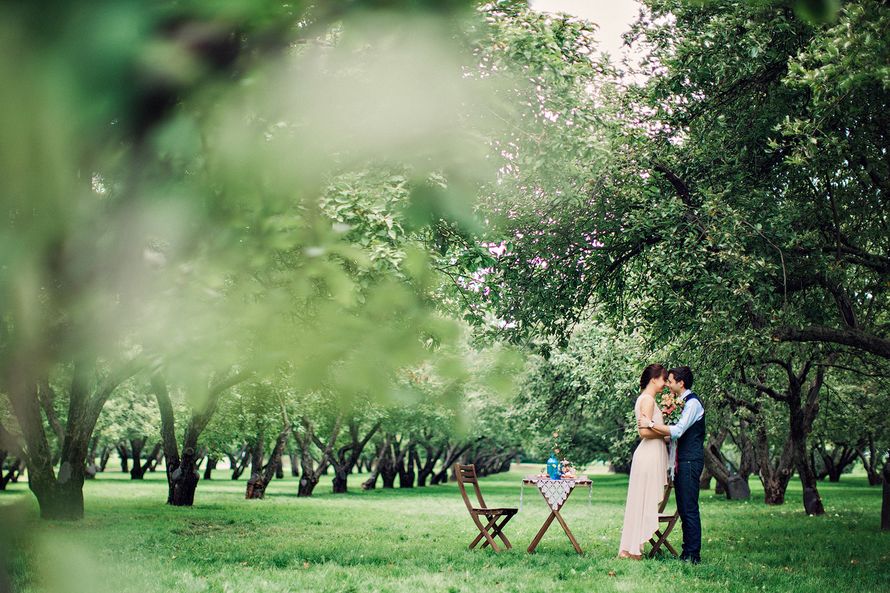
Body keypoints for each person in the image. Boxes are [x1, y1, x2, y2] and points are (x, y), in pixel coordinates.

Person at [638, 366, 705, 564]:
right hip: (681, 461)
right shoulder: (682, 403)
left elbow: (677, 431)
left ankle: (692, 555)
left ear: (680, 383)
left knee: (689, 508)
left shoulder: (692, 404)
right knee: (684, 508)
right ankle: (687, 552)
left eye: (670, 380)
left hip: (690, 460)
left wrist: (650, 424)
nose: (667, 383)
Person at [618, 363, 669, 559]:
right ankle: (633, 549)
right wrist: (666, 435)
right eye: (664, 379)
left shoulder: (647, 399)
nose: (665, 384)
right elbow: (644, 432)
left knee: (642, 501)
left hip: (651, 454)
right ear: (654, 378)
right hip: (648, 454)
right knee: (643, 501)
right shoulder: (647, 399)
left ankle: (631, 548)